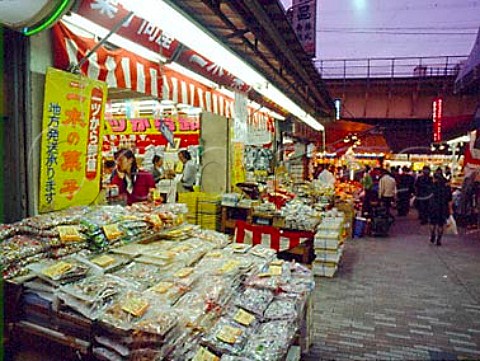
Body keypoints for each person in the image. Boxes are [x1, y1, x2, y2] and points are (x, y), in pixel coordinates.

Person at [428, 173, 452, 246]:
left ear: (435, 179)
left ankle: (432, 235)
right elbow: (449, 200)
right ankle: (439, 239)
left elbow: (428, 196)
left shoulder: (432, 186)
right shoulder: (446, 188)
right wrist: (450, 210)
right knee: (440, 224)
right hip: (443, 207)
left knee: (432, 223)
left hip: (433, 206)